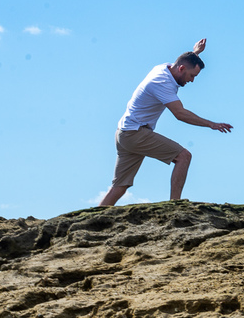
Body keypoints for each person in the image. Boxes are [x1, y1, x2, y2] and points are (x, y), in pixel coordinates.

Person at [98, 38, 233, 206]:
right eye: (192, 76)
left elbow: (182, 61)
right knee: (183, 156)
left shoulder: (164, 68)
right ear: (182, 69)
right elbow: (180, 113)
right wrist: (211, 124)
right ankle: (174, 206)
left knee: (119, 187)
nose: (192, 80)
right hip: (135, 134)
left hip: (124, 132)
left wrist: (195, 53)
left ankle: (92, 221)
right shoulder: (161, 83)